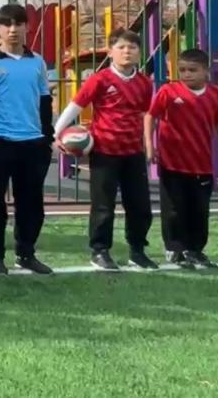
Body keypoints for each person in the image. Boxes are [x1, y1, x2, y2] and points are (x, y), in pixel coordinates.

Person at [53, 28, 157, 271]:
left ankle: (137, 251)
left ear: (139, 52)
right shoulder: (100, 79)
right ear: (111, 52)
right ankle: (100, 251)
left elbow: (145, 114)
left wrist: (148, 143)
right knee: (103, 206)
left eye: (132, 47)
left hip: (133, 153)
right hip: (104, 152)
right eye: (121, 47)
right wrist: (56, 133)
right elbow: (76, 105)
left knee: (140, 206)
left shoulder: (144, 83)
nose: (127, 51)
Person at [0, 4, 54, 276]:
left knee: (31, 204)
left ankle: (26, 254)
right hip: (1, 143)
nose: (13, 29)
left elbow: (44, 100)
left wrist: (46, 137)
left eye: (18, 24)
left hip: (33, 144)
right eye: (6, 24)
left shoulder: (37, 62)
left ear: (27, 27)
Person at [144, 48, 218, 269]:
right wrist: (149, 144)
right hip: (172, 163)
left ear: (206, 71)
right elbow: (150, 116)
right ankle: (174, 248)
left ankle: (195, 250)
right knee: (173, 209)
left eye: (192, 70)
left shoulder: (216, 95)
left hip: (202, 164)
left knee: (200, 210)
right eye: (182, 70)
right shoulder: (168, 91)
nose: (186, 74)